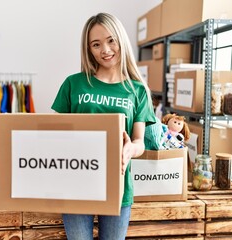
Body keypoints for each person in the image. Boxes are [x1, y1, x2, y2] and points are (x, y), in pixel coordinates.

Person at [51, 12, 156, 240]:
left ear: (121, 40)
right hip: (76, 186)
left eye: (111, 41)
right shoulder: (73, 84)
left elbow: (139, 142)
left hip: (119, 186)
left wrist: (130, 150)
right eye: (96, 44)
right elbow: (53, 134)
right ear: (89, 49)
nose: (105, 50)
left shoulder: (137, 91)